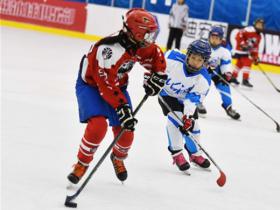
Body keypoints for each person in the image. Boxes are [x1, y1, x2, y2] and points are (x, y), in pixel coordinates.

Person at [67, 8, 167, 184]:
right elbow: (105, 85)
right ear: (136, 33)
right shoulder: (108, 50)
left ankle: (118, 158)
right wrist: (122, 108)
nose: (150, 39)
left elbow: (155, 54)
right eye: (148, 34)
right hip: (91, 86)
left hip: (116, 87)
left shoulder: (138, 43)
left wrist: (157, 74)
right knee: (98, 127)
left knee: (126, 132)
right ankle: (82, 163)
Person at [158, 39, 211, 172]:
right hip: (167, 94)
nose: (195, 62)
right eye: (193, 57)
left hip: (185, 100)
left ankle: (195, 154)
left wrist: (188, 117)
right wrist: (151, 79)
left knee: (193, 126)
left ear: (204, 62)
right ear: (187, 54)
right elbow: (156, 67)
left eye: (200, 60)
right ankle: (177, 153)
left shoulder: (204, 79)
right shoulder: (172, 58)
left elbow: (192, 99)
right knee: (176, 120)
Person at [197, 26, 240, 120]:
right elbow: (196, 60)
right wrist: (203, 67)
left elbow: (226, 64)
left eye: (217, 38)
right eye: (212, 37)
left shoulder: (224, 51)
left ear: (221, 39)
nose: (214, 40)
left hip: (216, 72)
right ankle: (197, 102)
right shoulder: (203, 46)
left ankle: (228, 107)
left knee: (224, 86)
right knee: (203, 84)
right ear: (209, 37)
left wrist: (227, 74)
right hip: (202, 71)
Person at [231, 18, 264, 87]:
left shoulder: (259, 36)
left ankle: (233, 77)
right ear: (254, 24)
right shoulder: (250, 29)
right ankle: (245, 79)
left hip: (246, 51)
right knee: (248, 61)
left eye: (261, 25)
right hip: (240, 49)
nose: (259, 26)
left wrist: (256, 57)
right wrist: (243, 44)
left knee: (239, 64)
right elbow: (238, 34)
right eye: (258, 25)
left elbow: (255, 47)